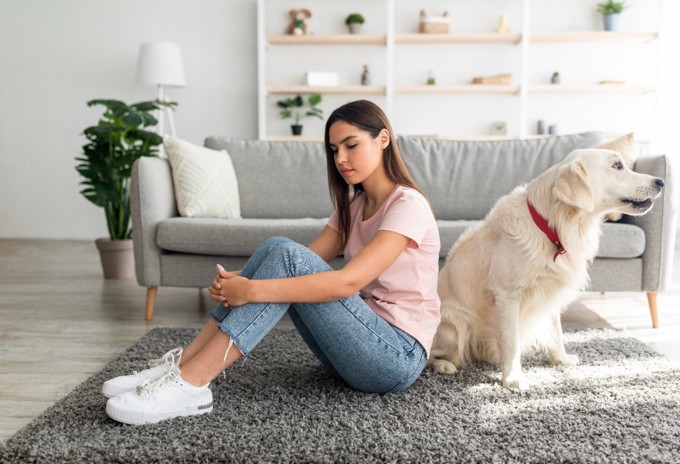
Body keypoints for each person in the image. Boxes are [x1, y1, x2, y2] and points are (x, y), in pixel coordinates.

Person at [103, 100, 441, 425]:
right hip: (357, 347)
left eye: (351, 145)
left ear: (383, 139)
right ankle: (182, 368)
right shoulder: (353, 206)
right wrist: (244, 280)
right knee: (276, 249)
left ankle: (191, 385)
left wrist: (252, 291)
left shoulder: (407, 204)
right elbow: (303, 261)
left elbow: (347, 282)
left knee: (284, 258)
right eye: (335, 149)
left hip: (396, 357)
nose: (341, 158)